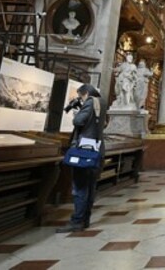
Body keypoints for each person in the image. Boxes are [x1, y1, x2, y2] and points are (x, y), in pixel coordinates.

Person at [57, 84, 103, 233]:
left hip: (84, 151)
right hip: (96, 149)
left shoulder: (90, 102)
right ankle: (85, 219)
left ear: (85, 94)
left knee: (80, 187)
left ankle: (77, 220)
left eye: (80, 96)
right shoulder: (102, 103)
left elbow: (78, 122)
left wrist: (77, 112)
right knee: (90, 187)